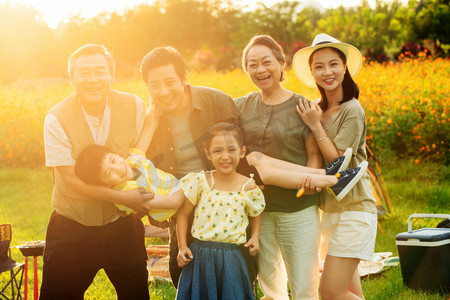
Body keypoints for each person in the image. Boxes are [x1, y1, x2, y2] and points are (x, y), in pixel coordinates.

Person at [41, 44, 152, 299]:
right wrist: (125, 198)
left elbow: (140, 158)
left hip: (123, 226)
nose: (93, 79)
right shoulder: (56, 118)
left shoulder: (133, 105)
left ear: (111, 75)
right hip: (73, 227)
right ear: (72, 78)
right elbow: (69, 180)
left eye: (100, 71)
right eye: (84, 73)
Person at [139, 46, 241, 288]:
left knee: (229, 275)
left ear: (184, 78)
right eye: (154, 85)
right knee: (181, 272)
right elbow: (145, 165)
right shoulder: (151, 118)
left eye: (170, 82)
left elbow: (239, 155)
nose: (163, 92)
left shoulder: (217, 102)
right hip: (182, 201)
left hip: (223, 199)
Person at [236, 34, 322, 299]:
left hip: (298, 208)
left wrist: (310, 184)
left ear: (280, 63)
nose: (260, 70)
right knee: (270, 287)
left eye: (266, 62)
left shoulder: (302, 106)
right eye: (252, 64)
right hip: (257, 212)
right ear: (246, 69)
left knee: (304, 287)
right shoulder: (240, 106)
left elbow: (314, 156)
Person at [293, 33, 378, 300]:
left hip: (354, 211)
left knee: (329, 293)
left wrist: (315, 125)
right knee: (349, 293)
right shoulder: (317, 108)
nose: (327, 72)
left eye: (333, 64)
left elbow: (337, 162)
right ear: (312, 72)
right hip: (329, 211)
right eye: (319, 66)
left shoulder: (351, 110)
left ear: (344, 68)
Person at [176, 122, 265, 300]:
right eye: (217, 151)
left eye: (231, 150)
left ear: (242, 151)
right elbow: (183, 214)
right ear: (208, 153)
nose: (225, 156)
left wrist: (254, 237)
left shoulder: (248, 186)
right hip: (200, 256)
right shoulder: (201, 181)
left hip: (232, 257)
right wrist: (182, 246)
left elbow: (256, 214)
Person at [74, 144, 185, 222]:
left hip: (182, 191)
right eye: (109, 173)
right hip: (181, 206)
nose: (118, 168)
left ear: (116, 154)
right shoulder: (129, 192)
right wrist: (191, 183)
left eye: (113, 160)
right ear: (106, 185)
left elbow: (148, 130)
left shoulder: (132, 161)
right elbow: (174, 202)